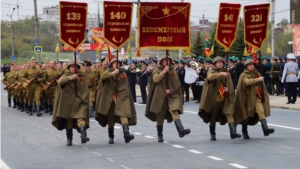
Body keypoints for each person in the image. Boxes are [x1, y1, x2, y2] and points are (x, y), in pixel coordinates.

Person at [145, 57, 190, 142]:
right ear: (161, 62)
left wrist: (171, 90)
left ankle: (181, 130)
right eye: (165, 61)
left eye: (168, 61)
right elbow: (155, 79)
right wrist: (163, 72)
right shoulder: (157, 69)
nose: (167, 62)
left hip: (171, 96)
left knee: (174, 112)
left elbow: (177, 84)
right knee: (160, 116)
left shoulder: (173, 70)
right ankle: (160, 135)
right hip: (160, 96)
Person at [198, 56, 241, 141]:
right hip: (216, 98)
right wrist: (220, 74)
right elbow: (210, 77)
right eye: (219, 62)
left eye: (222, 63)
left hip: (226, 98)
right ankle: (212, 133)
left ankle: (233, 133)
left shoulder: (226, 72)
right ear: (215, 64)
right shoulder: (211, 71)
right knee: (213, 116)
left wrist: (228, 89)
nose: (221, 64)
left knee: (229, 113)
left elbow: (230, 84)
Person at [95, 58, 137, 144]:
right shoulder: (107, 72)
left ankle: (126, 134)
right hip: (110, 99)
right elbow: (102, 78)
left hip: (121, 98)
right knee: (111, 118)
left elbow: (125, 86)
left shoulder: (123, 74)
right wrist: (113, 73)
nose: (116, 65)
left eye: (118, 63)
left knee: (123, 115)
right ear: (111, 65)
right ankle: (111, 137)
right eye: (114, 63)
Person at [52, 60, 90, 146]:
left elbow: (84, 89)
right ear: (69, 68)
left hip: (80, 101)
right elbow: (60, 82)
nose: (74, 68)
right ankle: (69, 139)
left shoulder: (82, 77)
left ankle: (83, 134)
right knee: (69, 122)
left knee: (81, 118)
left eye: (76, 67)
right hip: (68, 102)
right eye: (72, 67)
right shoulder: (65, 76)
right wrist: (71, 78)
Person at [234, 59, 275, 139]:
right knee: (246, 115)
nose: (251, 66)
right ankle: (244, 132)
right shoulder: (244, 74)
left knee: (261, 111)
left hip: (256, 97)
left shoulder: (257, 74)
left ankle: (265, 129)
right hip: (246, 98)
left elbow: (261, 86)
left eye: (252, 64)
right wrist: (257, 80)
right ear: (246, 66)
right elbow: (247, 82)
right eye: (249, 65)